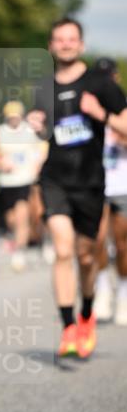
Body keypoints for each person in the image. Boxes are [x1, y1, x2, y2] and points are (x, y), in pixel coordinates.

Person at [28, 20, 127, 358]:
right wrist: (36, 126)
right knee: (63, 251)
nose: (66, 44)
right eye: (60, 39)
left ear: (81, 45)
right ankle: (68, 326)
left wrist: (100, 114)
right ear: (51, 45)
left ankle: (86, 313)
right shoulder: (43, 88)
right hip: (54, 179)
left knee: (87, 257)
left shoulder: (100, 83)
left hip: (91, 182)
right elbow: (44, 131)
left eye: (72, 39)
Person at [92, 58, 127, 325]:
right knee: (97, 239)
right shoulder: (88, 109)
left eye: (109, 77)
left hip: (122, 186)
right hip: (95, 185)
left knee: (123, 245)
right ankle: (103, 287)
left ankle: (124, 293)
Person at [0, 100, 47, 271]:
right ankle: (25, 241)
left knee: (24, 215)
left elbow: (42, 148)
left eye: (16, 116)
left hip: (26, 180)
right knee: (11, 219)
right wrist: (1, 163)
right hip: (7, 181)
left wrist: (37, 164)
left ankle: (20, 252)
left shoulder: (30, 130)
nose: (14, 120)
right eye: (11, 117)